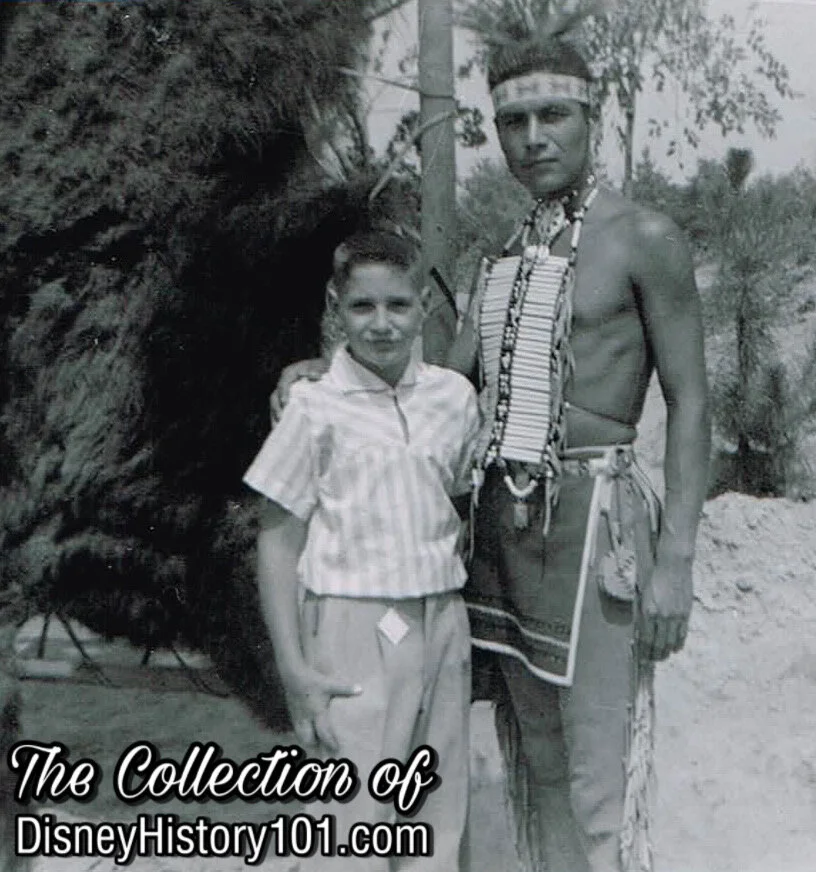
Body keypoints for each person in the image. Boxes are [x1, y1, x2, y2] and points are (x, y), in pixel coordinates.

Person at [272, 8, 711, 869]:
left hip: (595, 534)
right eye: (513, 121)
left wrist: (677, 562)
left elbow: (690, 402)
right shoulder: (504, 254)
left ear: (591, 115)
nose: (533, 137)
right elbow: (441, 383)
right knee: (535, 762)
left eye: (553, 117)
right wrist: (319, 374)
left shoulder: (643, 239)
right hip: (502, 543)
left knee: (595, 776)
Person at [248, 232, 480, 872]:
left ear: (425, 308)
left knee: (436, 823)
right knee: (349, 830)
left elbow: (453, 498)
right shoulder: (313, 404)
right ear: (335, 306)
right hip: (351, 626)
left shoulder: (453, 399)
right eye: (362, 307)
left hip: (439, 621)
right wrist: (294, 668)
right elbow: (277, 538)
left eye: (398, 306)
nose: (381, 325)